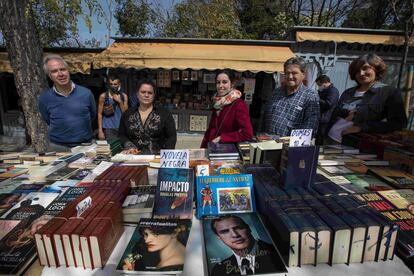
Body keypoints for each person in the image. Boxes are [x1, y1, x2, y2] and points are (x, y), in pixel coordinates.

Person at [328, 54, 407, 143]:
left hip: (358, 145)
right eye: (357, 71)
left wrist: (362, 127)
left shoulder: (388, 92)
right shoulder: (348, 92)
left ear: (377, 69)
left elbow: (398, 124)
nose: (361, 73)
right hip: (331, 140)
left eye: (365, 68)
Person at [38, 54, 96, 150]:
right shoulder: (45, 98)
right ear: (49, 76)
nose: (60, 74)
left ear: (68, 70)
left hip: (85, 145)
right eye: (54, 71)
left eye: (63, 69)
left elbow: (92, 115)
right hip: (57, 147)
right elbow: (47, 119)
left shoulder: (86, 93)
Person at [263, 57, 320, 137]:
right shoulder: (276, 92)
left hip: (289, 147)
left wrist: (289, 144)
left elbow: (310, 128)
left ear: (303, 74)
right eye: (287, 73)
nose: (290, 76)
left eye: (294, 73)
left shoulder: (310, 97)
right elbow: (265, 117)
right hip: (267, 143)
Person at [210, 215, 283, 275]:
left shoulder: (280, 253)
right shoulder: (219, 270)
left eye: (238, 228)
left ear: (248, 228)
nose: (235, 235)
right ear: (219, 237)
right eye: (225, 231)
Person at [118, 80, 176, 154]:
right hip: (133, 157)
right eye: (143, 92)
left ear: (154, 95)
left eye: (150, 93)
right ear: (137, 94)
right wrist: (129, 146)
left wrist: (167, 155)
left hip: (156, 158)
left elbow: (171, 137)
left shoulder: (164, 114)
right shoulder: (127, 114)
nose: (146, 95)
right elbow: (121, 135)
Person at [201, 70, 253, 148]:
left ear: (232, 84)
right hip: (213, 149)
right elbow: (211, 129)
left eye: (224, 82)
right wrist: (203, 148)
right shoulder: (217, 102)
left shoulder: (238, 104)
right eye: (218, 82)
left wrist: (223, 138)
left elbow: (247, 133)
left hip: (228, 151)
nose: (220, 86)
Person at [122, 221, 189, 271]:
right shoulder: (142, 250)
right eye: (145, 234)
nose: (147, 240)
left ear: (174, 233)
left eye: (155, 234)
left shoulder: (174, 265)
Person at [97, 74, 128, 141]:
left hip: (121, 127)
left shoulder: (124, 96)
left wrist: (120, 101)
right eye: (111, 84)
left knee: (122, 148)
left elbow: (126, 114)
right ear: (108, 84)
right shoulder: (103, 96)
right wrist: (100, 130)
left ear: (119, 84)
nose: (113, 86)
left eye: (115, 84)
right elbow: (99, 114)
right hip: (108, 128)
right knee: (112, 148)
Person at [315, 75, 339, 144]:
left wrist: (317, 99)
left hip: (326, 119)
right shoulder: (325, 90)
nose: (319, 87)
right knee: (318, 137)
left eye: (320, 85)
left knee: (322, 137)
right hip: (321, 118)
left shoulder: (333, 91)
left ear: (325, 83)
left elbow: (329, 104)